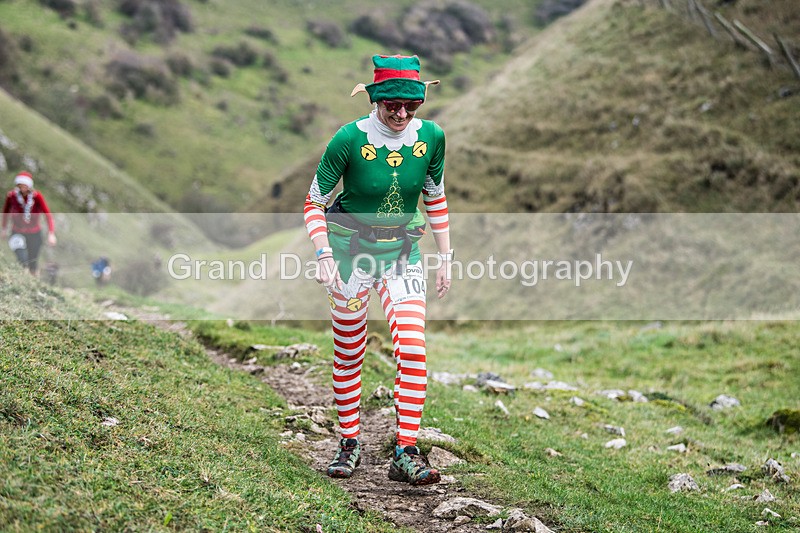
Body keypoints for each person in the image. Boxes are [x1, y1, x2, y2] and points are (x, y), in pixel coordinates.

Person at [303, 54, 453, 486]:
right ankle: (349, 442)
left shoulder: (432, 138)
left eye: (412, 105)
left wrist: (446, 257)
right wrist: (323, 255)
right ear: (375, 100)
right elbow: (314, 202)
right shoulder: (348, 139)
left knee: (414, 349)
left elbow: (435, 197)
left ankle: (405, 451)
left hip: (402, 255)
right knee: (350, 351)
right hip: (348, 256)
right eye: (392, 105)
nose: (402, 114)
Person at [2, 171, 57, 275]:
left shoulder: (37, 197)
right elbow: (5, 212)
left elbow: (47, 214)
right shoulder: (11, 196)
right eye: (20, 185)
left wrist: (51, 233)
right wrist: (4, 229)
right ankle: (23, 275)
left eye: (24, 185)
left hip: (34, 233)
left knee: (33, 260)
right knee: (22, 257)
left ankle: (33, 277)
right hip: (17, 231)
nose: (22, 188)